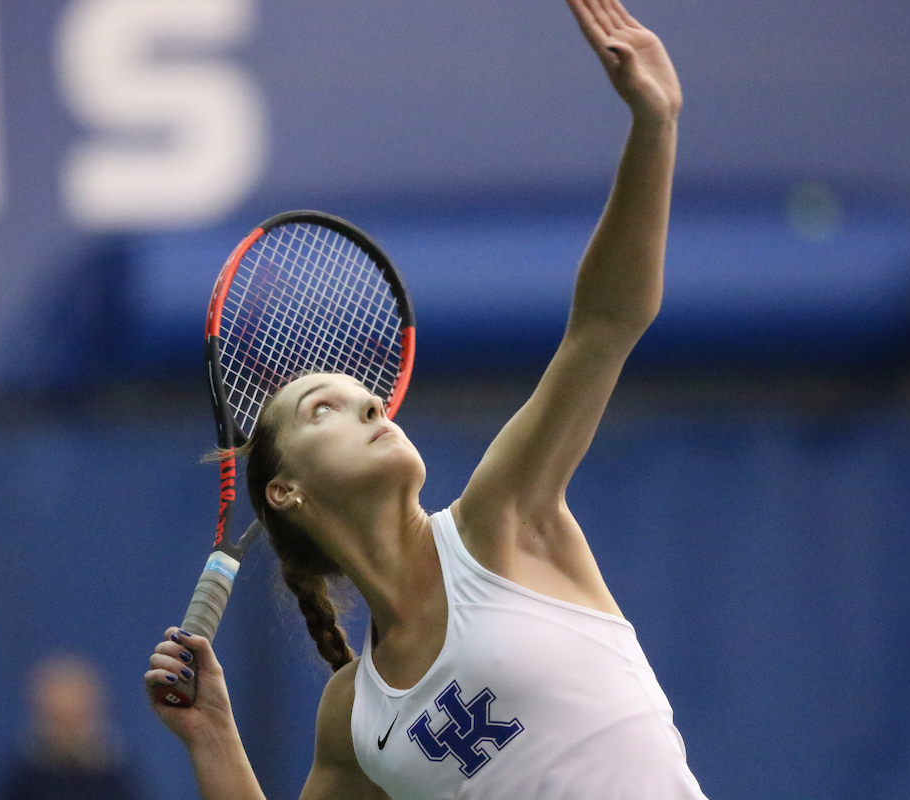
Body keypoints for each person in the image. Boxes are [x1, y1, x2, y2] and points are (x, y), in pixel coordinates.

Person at [146, 0, 706, 796]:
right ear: (284, 490)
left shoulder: (504, 519)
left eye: (367, 395)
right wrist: (211, 738)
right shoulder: (355, 721)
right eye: (323, 409)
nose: (372, 405)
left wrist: (655, 124)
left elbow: (605, 324)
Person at [0, 654, 145, 800]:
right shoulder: (22, 781)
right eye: (59, 717)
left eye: (75, 715)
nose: (68, 728)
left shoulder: (115, 780)